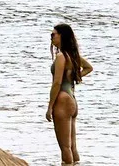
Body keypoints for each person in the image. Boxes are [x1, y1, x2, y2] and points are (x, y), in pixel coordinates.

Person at [46, 23, 90, 166]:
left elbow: (57, 83)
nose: (51, 37)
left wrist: (50, 107)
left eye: (53, 34)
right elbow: (88, 67)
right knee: (72, 146)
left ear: (61, 36)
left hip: (62, 100)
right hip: (71, 100)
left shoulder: (61, 56)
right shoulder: (72, 55)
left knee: (65, 148)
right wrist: (75, 76)